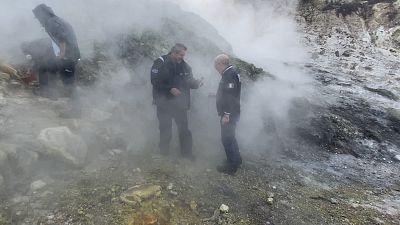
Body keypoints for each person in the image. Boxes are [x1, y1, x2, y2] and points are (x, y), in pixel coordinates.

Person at [151, 43, 202, 159]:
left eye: (183, 55)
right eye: (180, 55)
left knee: (184, 128)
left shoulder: (186, 66)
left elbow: (189, 81)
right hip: (163, 102)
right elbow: (154, 81)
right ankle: (163, 151)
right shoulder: (160, 62)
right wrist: (169, 89)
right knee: (165, 127)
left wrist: (196, 83)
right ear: (173, 53)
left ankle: (186, 153)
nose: (182, 57)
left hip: (180, 104)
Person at [32, 3, 80, 98]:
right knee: (50, 68)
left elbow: (62, 38)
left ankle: (50, 93)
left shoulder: (51, 22)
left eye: (38, 17)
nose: (38, 20)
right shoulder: (56, 20)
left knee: (45, 68)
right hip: (72, 55)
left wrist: (61, 55)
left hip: (68, 56)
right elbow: (56, 39)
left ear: (42, 15)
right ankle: (52, 92)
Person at [214, 54, 242, 175]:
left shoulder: (229, 75)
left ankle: (231, 167)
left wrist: (226, 114)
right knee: (231, 136)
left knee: (226, 138)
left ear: (221, 63)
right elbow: (228, 92)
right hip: (233, 111)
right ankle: (237, 160)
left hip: (230, 113)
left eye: (216, 65)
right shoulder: (232, 72)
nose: (215, 68)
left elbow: (231, 97)